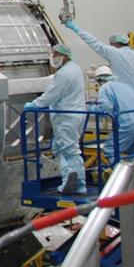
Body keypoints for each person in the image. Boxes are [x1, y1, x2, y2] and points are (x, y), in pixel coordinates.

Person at [24, 45, 87, 195]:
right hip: (75, 114)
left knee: (69, 150)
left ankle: (75, 182)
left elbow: (53, 93)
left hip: (66, 117)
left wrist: (35, 104)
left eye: (56, 54)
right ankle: (76, 181)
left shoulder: (64, 74)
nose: (53, 57)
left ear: (65, 56)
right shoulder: (75, 68)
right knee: (60, 147)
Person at [63, 20, 134, 96]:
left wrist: (75, 28)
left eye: (111, 44)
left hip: (124, 102)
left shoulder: (115, 52)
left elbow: (94, 42)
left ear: (115, 44)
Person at [94, 65, 134, 158]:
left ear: (98, 80)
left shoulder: (105, 88)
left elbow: (106, 109)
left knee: (111, 150)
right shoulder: (125, 86)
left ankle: (120, 168)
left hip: (129, 124)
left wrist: (92, 109)